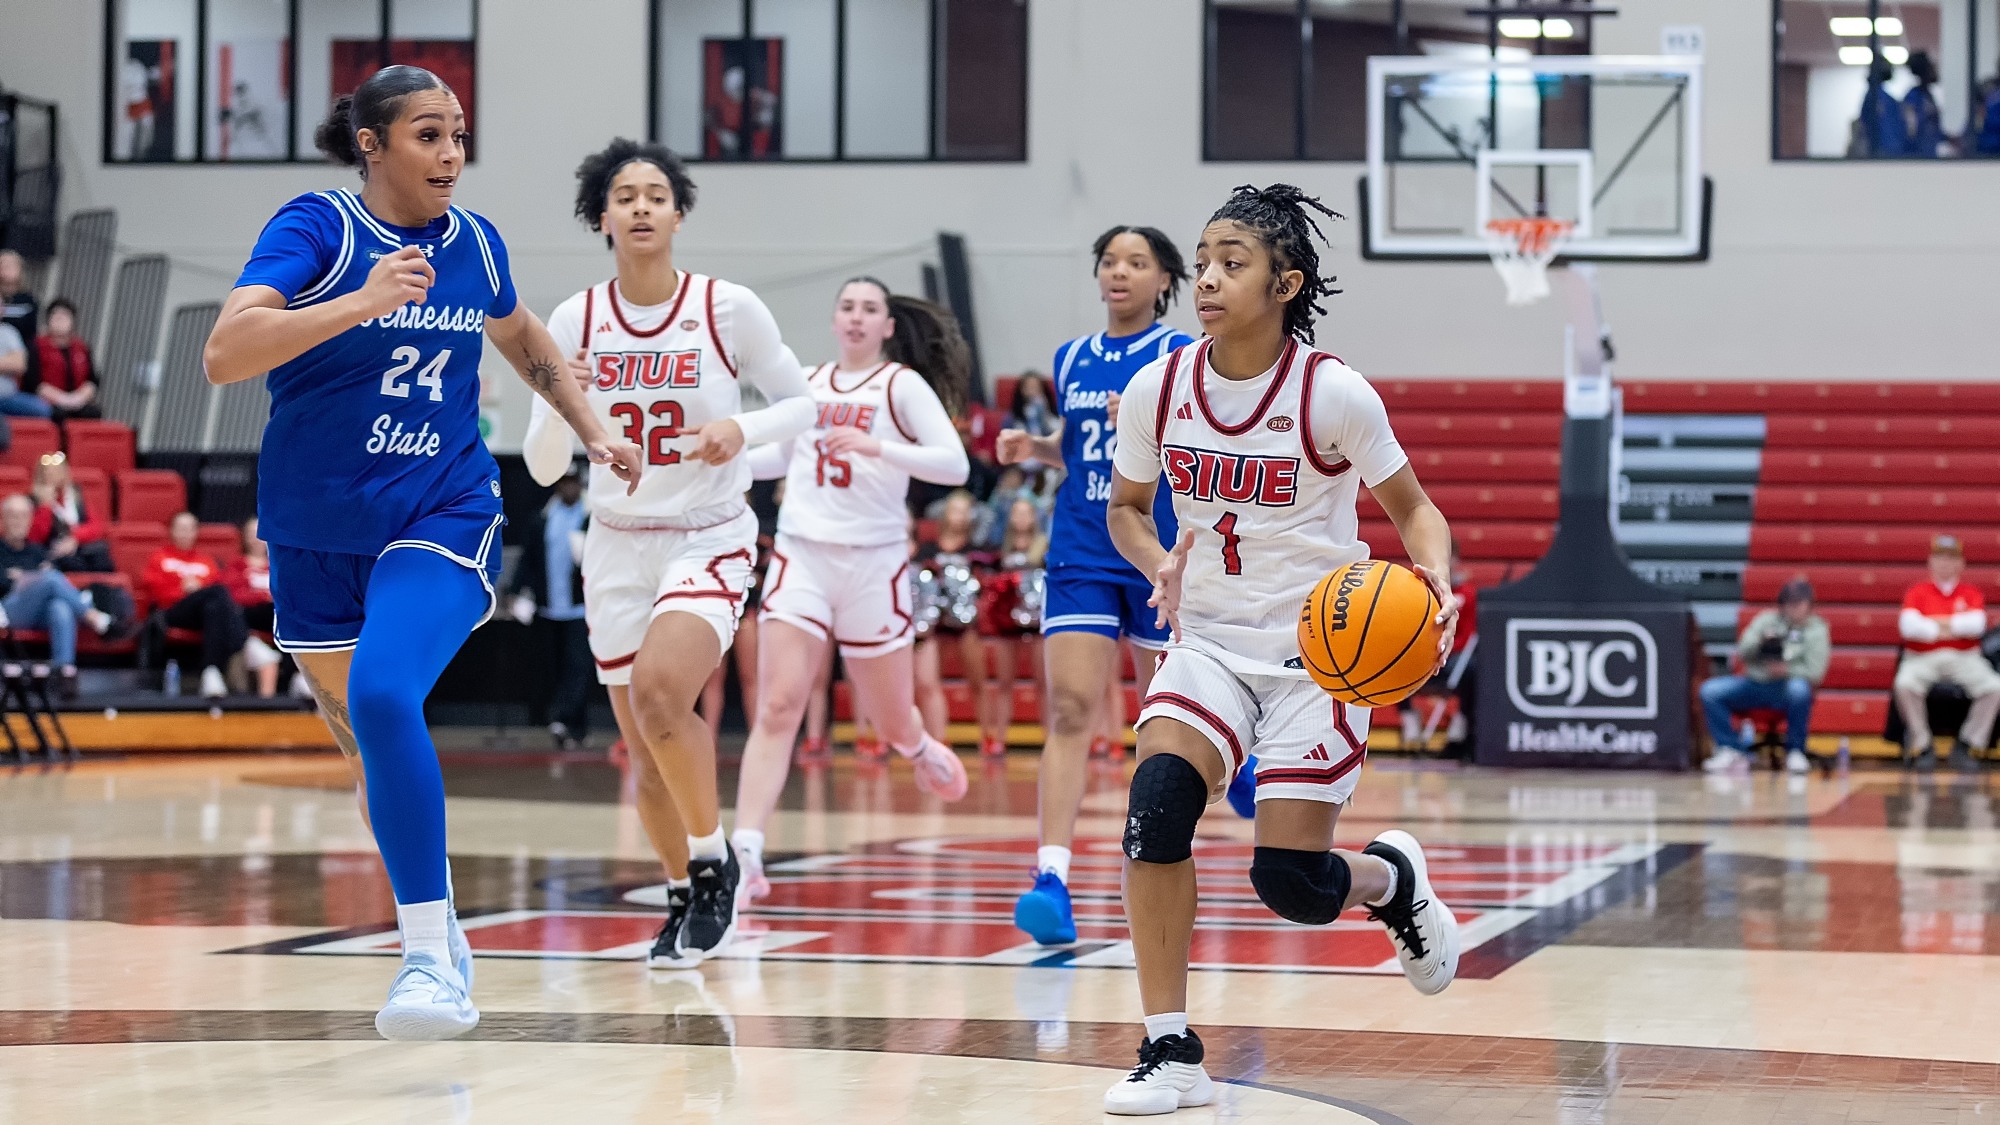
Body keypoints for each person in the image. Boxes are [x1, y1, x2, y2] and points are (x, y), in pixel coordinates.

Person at [202, 66, 645, 1038]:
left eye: (457, 136)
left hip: (441, 505)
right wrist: (356, 303)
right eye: (428, 136)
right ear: (372, 142)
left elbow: (521, 335)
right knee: (359, 730)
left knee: (385, 691)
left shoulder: (475, 243)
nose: (451, 155)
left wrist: (589, 422)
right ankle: (436, 916)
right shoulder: (317, 228)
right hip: (316, 526)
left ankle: (423, 961)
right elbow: (226, 352)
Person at [1099, 184, 1460, 1114]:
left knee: (1291, 884)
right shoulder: (1160, 385)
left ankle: (1391, 880)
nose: (1208, 279)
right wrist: (1158, 568)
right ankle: (1170, 1046)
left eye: (1233, 263)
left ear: (1285, 282)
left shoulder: (1332, 392)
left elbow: (1415, 510)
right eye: (1205, 260)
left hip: (1318, 653)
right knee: (1155, 807)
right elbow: (1128, 510)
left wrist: (1437, 582)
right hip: (1210, 641)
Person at [522, 137, 812, 966]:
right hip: (615, 541)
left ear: (678, 213)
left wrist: (739, 428)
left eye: (657, 194)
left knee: (659, 696)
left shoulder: (727, 307)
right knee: (644, 750)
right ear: (602, 218)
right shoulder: (575, 319)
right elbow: (545, 467)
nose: (642, 206)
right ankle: (684, 889)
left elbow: (802, 405)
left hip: (708, 535)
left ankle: (712, 860)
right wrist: (555, 400)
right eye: (626, 196)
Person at [730, 275, 974, 901]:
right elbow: (779, 458)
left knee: (888, 718)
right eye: (848, 307)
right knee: (780, 703)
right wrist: (717, 460)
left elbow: (955, 464)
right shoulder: (806, 382)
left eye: (871, 309)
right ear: (835, 320)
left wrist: (879, 445)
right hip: (803, 555)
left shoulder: (901, 386)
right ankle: (746, 853)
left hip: (875, 564)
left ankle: (915, 746)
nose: (858, 317)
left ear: (889, 326)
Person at [998, 223, 1195, 946]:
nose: (1120, 272)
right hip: (1080, 545)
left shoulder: (1179, 354)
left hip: (1152, 547)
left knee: (1163, 716)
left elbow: (1197, 437)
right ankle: (1051, 876)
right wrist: (1040, 448)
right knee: (1074, 706)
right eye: (1110, 261)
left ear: (1163, 279)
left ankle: (1157, 852)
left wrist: (1152, 418)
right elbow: (1084, 447)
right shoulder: (1071, 357)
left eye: (1136, 262)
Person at [1699, 577, 1829, 776]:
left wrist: (1787, 671)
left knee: (1800, 690)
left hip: (1786, 689)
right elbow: (1742, 652)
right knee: (1710, 691)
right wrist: (1760, 641)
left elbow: (1815, 673)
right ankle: (1730, 749)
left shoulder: (1817, 630)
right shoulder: (1766, 620)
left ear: (1809, 605)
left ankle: (1795, 751)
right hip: (1754, 684)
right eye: (1789, 602)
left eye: (1799, 603)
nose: (1793, 608)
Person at [1893, 534, 2000, 773]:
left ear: (1961, 564)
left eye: (1951, 558)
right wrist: (1954, 626)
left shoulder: (1971, 592)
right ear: (1930, 561)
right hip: (1922, 657)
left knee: (1995, 687)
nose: (1945, 563)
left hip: (1964, 657)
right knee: (1904, 684)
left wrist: (1931, 625)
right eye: (1940, 558)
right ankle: (1923, 745)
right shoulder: (1917, 591)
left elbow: (1977, 625)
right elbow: (1908, 627)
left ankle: (1967, 743)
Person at [505, 463, 594, 750]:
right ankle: (565, 722)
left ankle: (568, 721)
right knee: (553, 667)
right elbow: (528, 561)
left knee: (578, 667)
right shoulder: (543, 519)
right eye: (564, 482)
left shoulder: (590, 518)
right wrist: (515, 591)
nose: (569, 488)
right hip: (548, 608)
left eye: (573, 482)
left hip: (581, 608)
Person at [139, 512, 272, 699]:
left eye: (190, 529)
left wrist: (201, 591)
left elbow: (222, 601)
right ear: (172, 531)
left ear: (196, 532)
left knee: (214, 605)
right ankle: (245, 642)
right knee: (216, 592)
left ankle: (211, 672)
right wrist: (184, 590)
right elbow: (155, 593)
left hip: (202, 615)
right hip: (173, 611)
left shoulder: (206, 561)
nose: (185, 533)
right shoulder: (159, 558)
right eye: (181, 529)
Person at [0, 493, 114, 699]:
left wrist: (24, 579)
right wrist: (33, 580)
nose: (19, 521)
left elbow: (28, 581)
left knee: (59, 607)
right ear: (3, 518)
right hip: (8, 611)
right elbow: (4, 584)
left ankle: (65, 671)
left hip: (39, 612)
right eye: (13, 516)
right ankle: (93, 616)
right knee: (51, 578)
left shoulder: (37, 550)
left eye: (24, 516)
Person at [972, 496, 1048, 757]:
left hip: (1038, 621)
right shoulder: (998, 548)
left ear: (1035, 517)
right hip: (1007, 621)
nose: (1022, 518)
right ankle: (998, 739)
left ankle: (1050, 740)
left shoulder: (1045, 546)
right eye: (1017, 513)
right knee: (1004, 681)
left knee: (1044, 682)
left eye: (1027, 513)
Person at [220, 516, 281, 698]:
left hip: (276, 618)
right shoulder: (237, 565)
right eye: (251, 534)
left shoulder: (278, 567)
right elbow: (233, 595)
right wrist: (263, 596)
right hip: (250, 617)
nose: (256, 539)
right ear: (244, 537)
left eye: (259, 533)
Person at [27, 452, 114, 573]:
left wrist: (75, 538)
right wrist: (45, 507)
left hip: (79, 545)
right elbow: (35, 538)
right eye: (48, 470)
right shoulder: (33, 501)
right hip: (53, 550)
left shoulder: (75, 495)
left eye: (57, 470)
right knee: (69, 562)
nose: (53, 474)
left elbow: (96, 526)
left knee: (101, 556)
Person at [32, 299, 102, 421]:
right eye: (55, 315)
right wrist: (63, 399)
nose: (60, 319)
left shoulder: (82, 347)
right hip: (48, 401)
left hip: (78, 400)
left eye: (65, 315)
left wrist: (78, 399)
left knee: (92, 412)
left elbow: (93, 380)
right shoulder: (36, 346)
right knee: (57, 414)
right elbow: (33, 382)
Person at [1902, 51, 1945, 158]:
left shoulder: (1928, 96)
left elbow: (1933, 129)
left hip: (1930, 155)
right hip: (1917, 157)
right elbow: (1911, 130)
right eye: (1931, 67)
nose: (1935, 70)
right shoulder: (1913, 97)